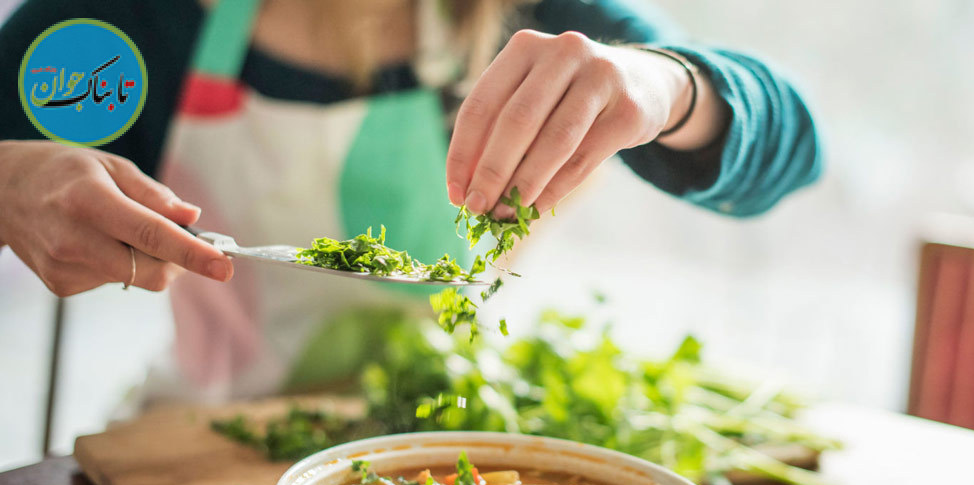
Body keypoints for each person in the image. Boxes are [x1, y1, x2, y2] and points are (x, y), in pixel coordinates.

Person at [0, 0, 822, 401]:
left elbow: (797, 147)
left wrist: (668, 84)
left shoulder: (529, 11)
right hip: (201, 439)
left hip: (463, 445)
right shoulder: (134, 24)